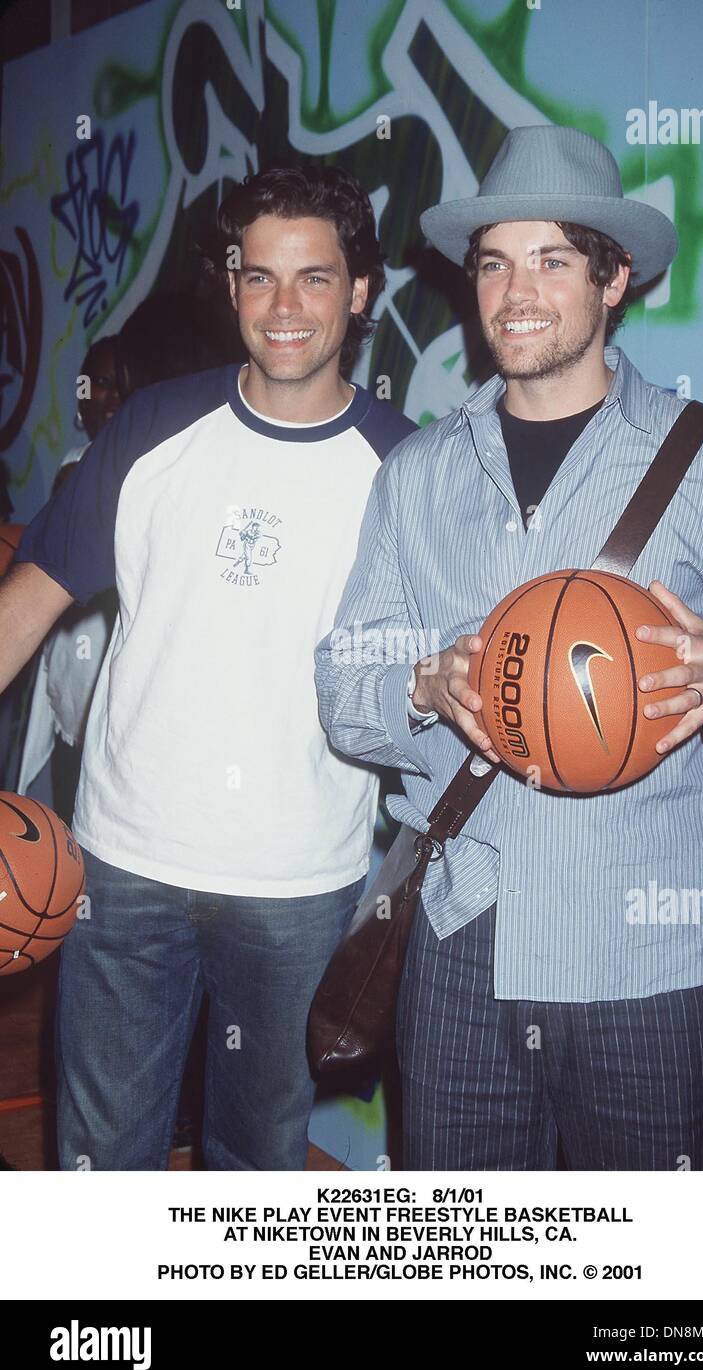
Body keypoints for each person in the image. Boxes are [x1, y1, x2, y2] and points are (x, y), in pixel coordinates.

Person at [315, 125, 703, 1171]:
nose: (516, 289)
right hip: (463, 948)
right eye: (495, 262)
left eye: (553, 260)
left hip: (648, 959)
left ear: (613, 279)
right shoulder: (419, 474)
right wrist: (422, 683)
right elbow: (344, 687)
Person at [1, 164, 415, 1170]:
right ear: (231, 285)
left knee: (255, 1165)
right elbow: (27, 604)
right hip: (125, 864)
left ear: (359, 292)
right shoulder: (151, 431)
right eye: (258, 275)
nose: (283, 307)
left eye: (313, 279)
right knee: (101, 1158)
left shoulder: (406, 467)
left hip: (297, 885)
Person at [18, 337, 121, 823]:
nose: (108, 397)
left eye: (121, 385)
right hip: (70, 702)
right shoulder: (74, 464)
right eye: (98, 383)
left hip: (111, 714)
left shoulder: (141, 474)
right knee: (62, 836)